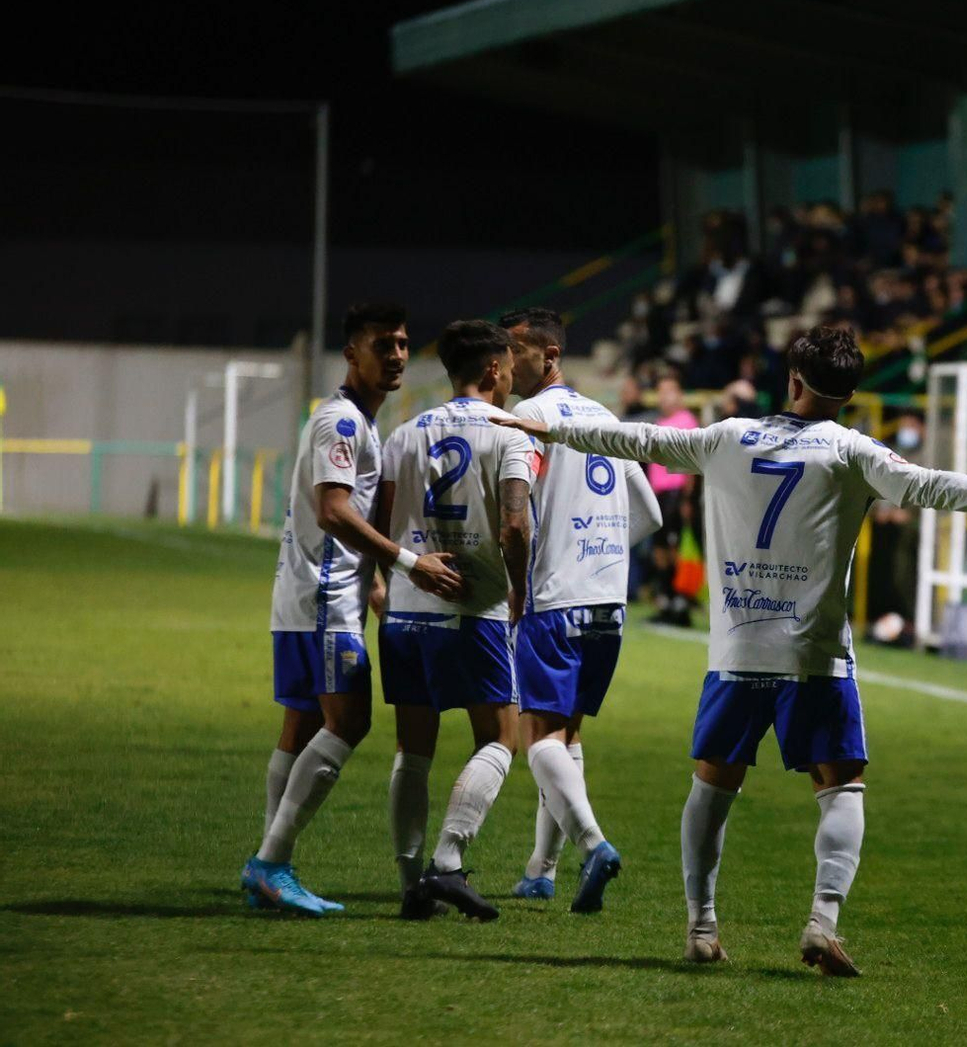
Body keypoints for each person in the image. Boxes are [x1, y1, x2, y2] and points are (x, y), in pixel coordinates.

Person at [499, 325, 967, 975]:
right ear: (850, 393)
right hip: (814, 654)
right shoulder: (852, 451)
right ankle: (822, 921)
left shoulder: (726, 437)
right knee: (842, 785)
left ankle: (701, 926)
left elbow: (636, 439)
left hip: (738, 650)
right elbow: (934, 485)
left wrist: (545, 428)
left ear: (794, 380)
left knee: (712, 785)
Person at [241, 302, 463, 916]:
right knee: (350, 722)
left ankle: (268, 864)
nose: (395, 355)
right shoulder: (342, 423)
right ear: (351, 352)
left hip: (312, 597)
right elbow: (334, 511)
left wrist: (373, 581)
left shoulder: (355, 423)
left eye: (401, 344)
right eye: (382, 344)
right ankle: (271, 862)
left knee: (302, 727)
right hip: (322, 604)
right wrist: (410, 563)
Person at [500, 307, 663, 910]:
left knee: (536, 733)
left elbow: (517, 510)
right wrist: (605, 554)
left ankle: (594, 845)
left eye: (515, 348)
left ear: (549, 355)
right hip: (606, 604)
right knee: (566, 734)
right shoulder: (603, 416)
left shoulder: (530, 415)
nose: (505, 360)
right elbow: (649, 513)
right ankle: (541, 869)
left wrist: (536, 567)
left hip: (554, 597)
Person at [375, 320, 536, 921]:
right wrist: (518, 587)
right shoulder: (508, 434)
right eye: (509, 363)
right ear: (493, 369)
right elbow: (515, 525)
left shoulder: (404, 433)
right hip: (473, 609)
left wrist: (389, 575)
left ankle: (410, 883)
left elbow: (384, 523)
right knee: (500, 737)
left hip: (405, 607)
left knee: (412, 750)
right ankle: (447, 862)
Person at [647, 375, 699, 626]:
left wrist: (688, 498)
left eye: (669, 392)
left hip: (675, 494)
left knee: (673, 549)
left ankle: (681, 605)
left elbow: (691, 463)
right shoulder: (659, 422)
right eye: (661, 392)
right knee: (659, 551)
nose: (664, 397)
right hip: (658, 494)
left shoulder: (686, 421)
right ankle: (666, 601)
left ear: (679, 395)